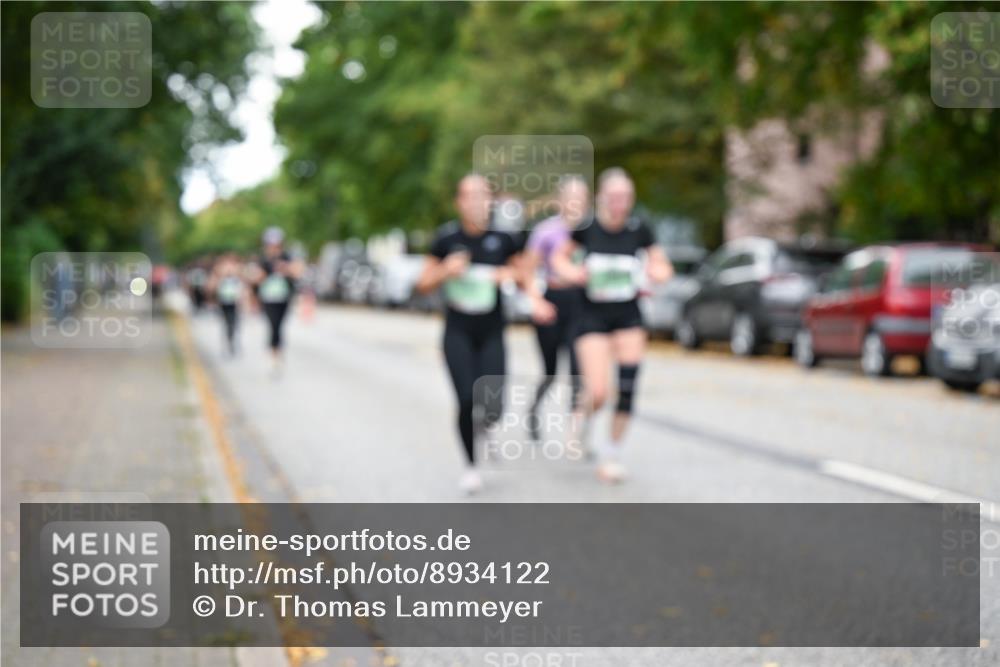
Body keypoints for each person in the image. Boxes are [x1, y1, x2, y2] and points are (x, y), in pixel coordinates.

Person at [415, 174, 554, 495]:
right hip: (458, 331)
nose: (478, 202)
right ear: (459, 202)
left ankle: (486, 426)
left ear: (491, 201)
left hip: (492, 331)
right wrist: (444, 270)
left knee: (494, 405)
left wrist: (529, 293)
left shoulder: (503, 240)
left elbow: (524, 274)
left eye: (483, 196)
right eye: (470, 196)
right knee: (465, 398)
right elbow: (422, 284)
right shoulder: (446, 239)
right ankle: (470, 466)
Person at [551, 168, 673, 483]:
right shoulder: (587, 228)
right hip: (591, 316)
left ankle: (611, 455)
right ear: (601, 197)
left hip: (628, 315)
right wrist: (573, 273)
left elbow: (661, 263)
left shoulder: (639, 229)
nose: (621, 203)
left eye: (626, 197)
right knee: (600, 391)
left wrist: (659, 272)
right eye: (615, 196)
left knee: (629, 386)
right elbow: (559, 259)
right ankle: (582, 417)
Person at [523, 176, 590, 443]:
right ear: (560, 200)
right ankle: (534, 412)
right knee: (551, 371)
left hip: (582, 305)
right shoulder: (546, 232)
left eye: (581, 198)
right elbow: (527, 269)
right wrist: (536, 301)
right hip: (553, 301)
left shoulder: (591, 231)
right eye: (571, 198)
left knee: (579, 370)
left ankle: (575, 432)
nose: (576, 203)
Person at [251, 227, 303, 376]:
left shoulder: (287, 257)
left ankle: (278, 351)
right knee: (272, 325)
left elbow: (297, 272)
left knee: (280, 325)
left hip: (283, 298)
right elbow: (255, 278)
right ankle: (273, 353)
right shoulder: (263, 260)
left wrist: (285, 268)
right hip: (268, 298)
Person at [208, 253, 244, 356]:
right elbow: (211, 288)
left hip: (235, 301)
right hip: (223, 301)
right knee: (226, 323)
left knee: (234, 323)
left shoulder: (237, 274)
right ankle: (228, 342)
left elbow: (243, 286)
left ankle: (232, 341)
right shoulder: (217, 274)